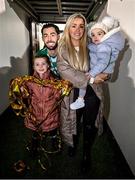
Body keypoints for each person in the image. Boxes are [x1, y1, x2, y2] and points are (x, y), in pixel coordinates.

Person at [57, 13, 109, 172]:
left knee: (88, 124)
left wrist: (106, 73)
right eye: (74, 25)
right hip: (73, 92)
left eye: (81, 26)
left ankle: (86, 153)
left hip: (92, 94)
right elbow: (65, 71)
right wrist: (92, 79)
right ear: (68, 28)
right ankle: (72, 144)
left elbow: (106, 60)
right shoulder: (63, 47)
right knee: (73, 121)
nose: (78, 29)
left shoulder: (92, 44)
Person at [9, 55, 72, 157]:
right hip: (35, 114)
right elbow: (26, 95)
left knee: (52, 132)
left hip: (50, 115)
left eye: (43, 64)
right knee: (35, 133)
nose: (40, 66)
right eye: (37, 64)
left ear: (48, 66)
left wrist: (61, 91)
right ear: (34, 67)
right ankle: (35, 146)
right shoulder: (30, 82)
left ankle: (55, 145)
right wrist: (21, 90)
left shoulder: (54, 82)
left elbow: (57, 97)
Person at [70, 16, 125, 110]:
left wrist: (92, 74)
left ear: (106, 35)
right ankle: (80, 99)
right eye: (93, 35)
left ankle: (80, 100)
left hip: (96, 73)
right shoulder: (95, 45)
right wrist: (91, 78)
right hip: (83, 80)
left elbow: (103, 63)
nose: (96, 37)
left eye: (99, 34)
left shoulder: (103, 47)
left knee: (91, 113)